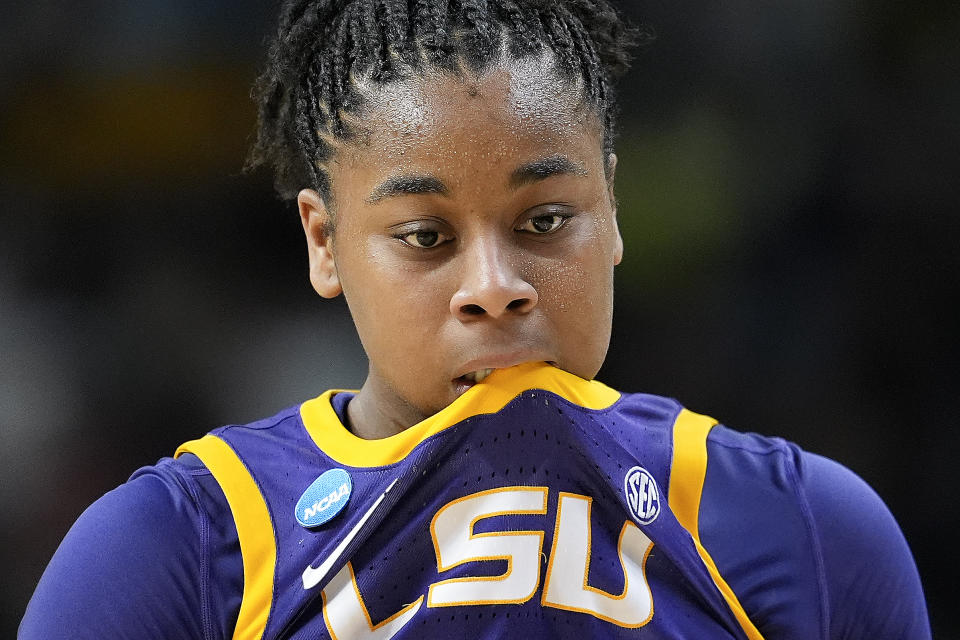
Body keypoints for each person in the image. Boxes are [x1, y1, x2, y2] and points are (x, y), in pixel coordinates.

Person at [20, 1, 930, 638]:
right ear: (325, 242)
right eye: (425, 236)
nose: (494, 287)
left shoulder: (808, 529)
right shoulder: (176, 545)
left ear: (609, 208)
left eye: (544, 221)